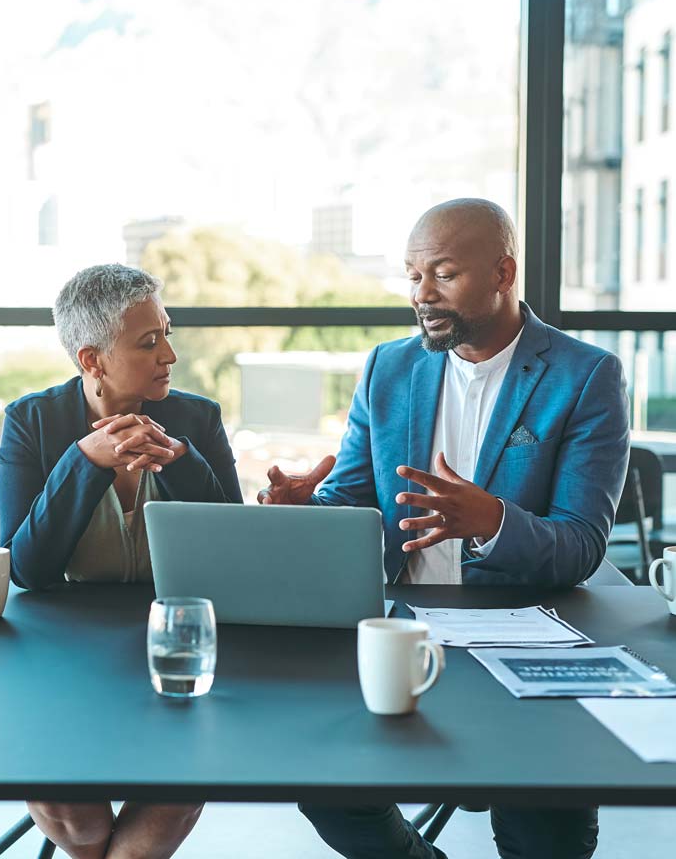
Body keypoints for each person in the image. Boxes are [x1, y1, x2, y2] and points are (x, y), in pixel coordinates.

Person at [258, 199, 629, 859]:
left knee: (545, 830)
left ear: (502, 272)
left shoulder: (583, 375)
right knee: (326, 786)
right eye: (411, 275)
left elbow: (579, 544)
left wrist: (491, 521)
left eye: (443, 273)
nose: (420, 294)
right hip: (404, 629)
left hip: (527, 633)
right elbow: (352, 507)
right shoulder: (386, 369)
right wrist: (300, 518)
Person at [0, 263, 242, 859]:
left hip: (174, 649)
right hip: (57, 655)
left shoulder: (198, 419)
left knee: (168, 804)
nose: (170, 355)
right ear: (92, 359)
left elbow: (234, 547)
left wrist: (181, 460)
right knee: (74, 816)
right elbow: (26, 569)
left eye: (168, 333)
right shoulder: (32, 422)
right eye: (148, 341)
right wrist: (84, 461)